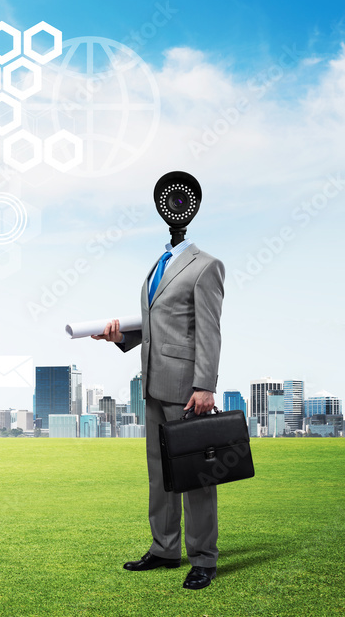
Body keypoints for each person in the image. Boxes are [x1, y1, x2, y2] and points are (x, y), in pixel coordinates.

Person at [92, 235, 225, 590]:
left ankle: (203, 560)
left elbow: (209, 329)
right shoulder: (158, 264)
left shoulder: (206, 265)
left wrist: (205, 385)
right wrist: (120, 337)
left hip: (187, 388)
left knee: (196, 477)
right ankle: (165, 548)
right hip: (153, 383)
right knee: (160, 475)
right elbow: (158, 325)